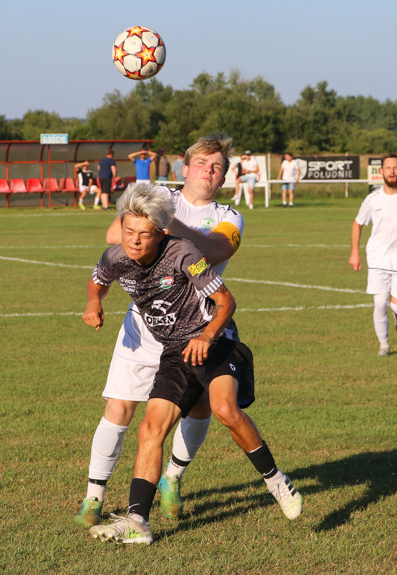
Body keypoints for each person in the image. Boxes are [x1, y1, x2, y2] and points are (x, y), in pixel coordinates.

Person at [84, 183, 302, 544]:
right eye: (128, 231)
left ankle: (276, 481)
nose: (134, 241)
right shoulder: (114, 257)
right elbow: (97, 281)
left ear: (160, 233)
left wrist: (206, 336)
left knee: (224, 410)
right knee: (150, 429)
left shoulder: (184, 253)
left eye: (144, 234)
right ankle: (138, 520)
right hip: (175, 351)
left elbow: (226, 301)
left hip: (214, 339)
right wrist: (94, 303)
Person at [75, 132, 245, 528]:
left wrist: (164, 223)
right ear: (185, 168)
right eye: (202, 163)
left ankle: (172, 478)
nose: (209, 171)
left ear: (223, 178)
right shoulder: (158, 193)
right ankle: (93, 497)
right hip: (143, 327)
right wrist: (152, 219)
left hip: (195, 330)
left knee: (199, 408)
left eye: (217, 167)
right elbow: (114, 235)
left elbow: (215, 250)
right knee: (118, 408)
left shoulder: (229, 215)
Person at [349, 153, 397, 357]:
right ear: (381, 171)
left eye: (396, 167)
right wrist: (355, 252)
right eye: (388, 168)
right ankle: (384, 345)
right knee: (379, 302)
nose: (392, 171)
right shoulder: (372, 199)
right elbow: (357, 223)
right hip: (377, 257)